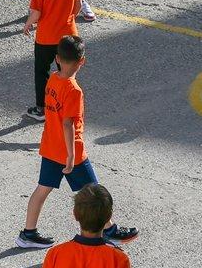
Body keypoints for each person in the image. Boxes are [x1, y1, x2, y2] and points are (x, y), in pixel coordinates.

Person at [16, 35, 137, 249]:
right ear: (82, 61)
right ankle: (109, 231)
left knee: (42, 190)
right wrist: (71, 156)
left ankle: (28, 233)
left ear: (57, 58)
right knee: (95, 192)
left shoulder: (53, 79)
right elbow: (68, 124)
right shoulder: (74, 90)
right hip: (71, 151)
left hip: (51, 147)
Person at [24, 0, 84, 121]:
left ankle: (41, 108)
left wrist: (28, 23)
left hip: (46, 37)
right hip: (68, 35)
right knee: (66, 73)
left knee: (42, 72)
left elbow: (36, 13)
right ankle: (67, 104)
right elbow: (78, 4)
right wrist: (69, 18)